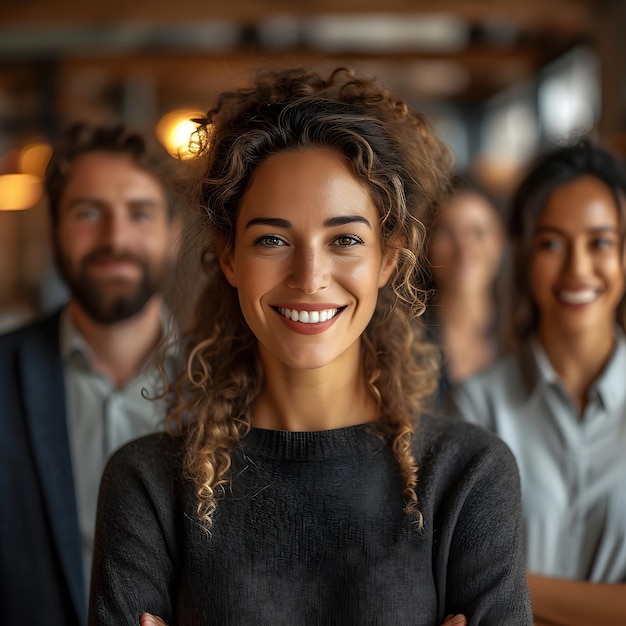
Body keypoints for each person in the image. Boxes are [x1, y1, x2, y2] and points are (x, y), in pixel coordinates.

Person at [88, 66, 532, 626]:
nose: (309, 275)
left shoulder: (467, 476)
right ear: (229, 258)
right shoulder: (148, 484)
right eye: (271, 239)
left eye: (345, 239)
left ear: (387, 258)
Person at [0, 123, 183, 626]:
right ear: (54, 228)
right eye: (88, 213)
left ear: (174, 233)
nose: (115, 238)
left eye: (139, 213)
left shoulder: (232, 385)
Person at [449, 138, 626, 624]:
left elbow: (481, 586)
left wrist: (506, 584)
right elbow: (455, 587)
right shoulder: (475, 406)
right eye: (551, 243)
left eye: (601, 242)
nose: (578, 268)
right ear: (523, 254)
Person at [425, 176, 506, 393]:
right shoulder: (403, 340)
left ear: (500, 240)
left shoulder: (523, 334)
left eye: (478, 232)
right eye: (447, 232)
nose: (464, 248)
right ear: (428, 243)